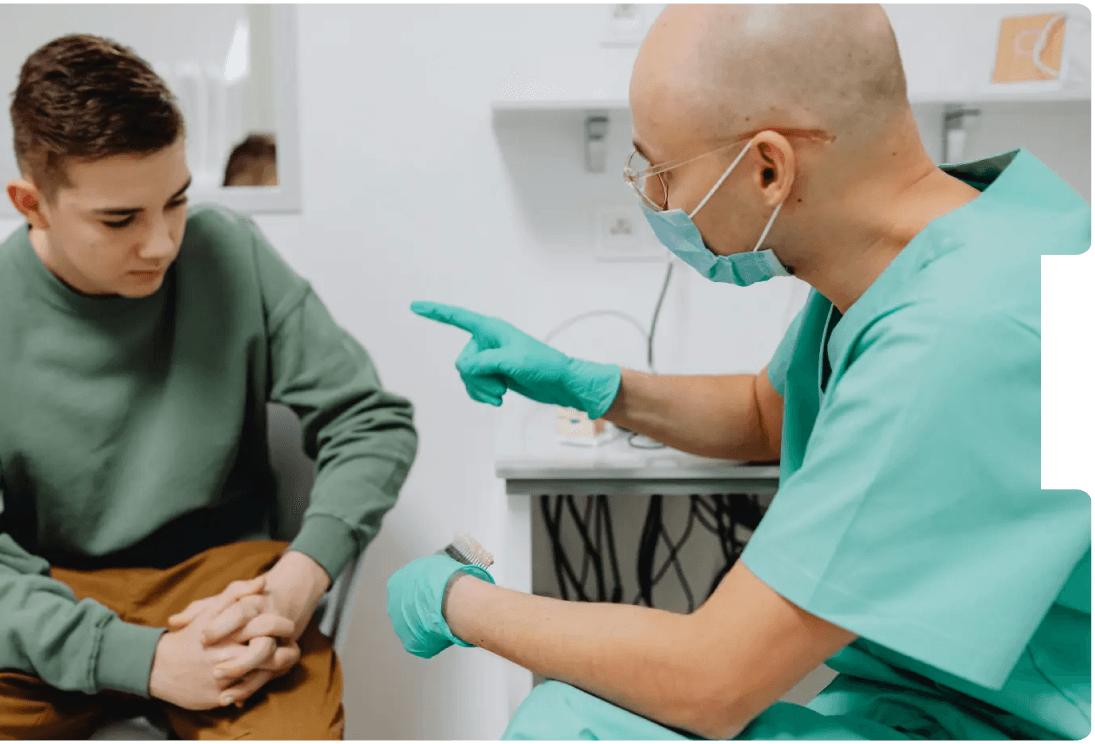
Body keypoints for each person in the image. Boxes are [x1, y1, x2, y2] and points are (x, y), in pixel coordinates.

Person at [387, 4, 1091, 741]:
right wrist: (592, 385)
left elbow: (710, 682)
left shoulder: (961, 334)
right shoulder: (1003, 244)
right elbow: (770, 412)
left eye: (660, 173)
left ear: (767, 169)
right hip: (939, 701)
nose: (656, 202)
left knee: (568, 725)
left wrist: (457, 603)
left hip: (1018, 723)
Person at [0, 34, 417, 741]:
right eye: (120, 219)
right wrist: (144, 659)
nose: (161, 243)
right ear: (32, 204)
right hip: (48, 600)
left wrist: (298, 580)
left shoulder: (233, 255)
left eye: (176, 201)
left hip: (228, 588)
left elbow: (371, 423)